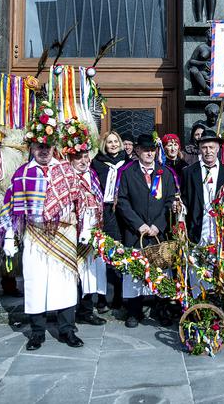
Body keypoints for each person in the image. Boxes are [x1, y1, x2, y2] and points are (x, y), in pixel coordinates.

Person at [0, 102, 92, 350]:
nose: (43, 151)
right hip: (35, 236)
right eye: (39, 146)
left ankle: (67, 330)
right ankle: (37, 332)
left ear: (54, 147)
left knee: (64, 284)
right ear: (31, 147)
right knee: (35, 283)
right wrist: (9, 238)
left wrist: (85, 229)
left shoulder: (65, 170)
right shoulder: (21, 174)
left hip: (63, 233)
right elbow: (10, 208)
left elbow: (82, 201)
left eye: (47, 146)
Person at [116, 134, 177, 328]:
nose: (149, 153)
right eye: (145, 149)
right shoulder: (128, 172)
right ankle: (134, 311)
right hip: (136, 233)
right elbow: (123, 201)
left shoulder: (164, 173)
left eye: (152, 149)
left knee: (160, 271)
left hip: (158, 233)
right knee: (135, 272)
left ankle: (162, 310)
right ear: (137, 151)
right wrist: (138, 224)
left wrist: (158, 225)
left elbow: (169, 201)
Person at [61, 119, 107, 326]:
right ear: (70, 158)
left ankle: (87, 310)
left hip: (92, 231)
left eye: (85, 156)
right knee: (73, 274)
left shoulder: (93, 175)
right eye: (78, 157)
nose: (83, 160)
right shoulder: (65, 176)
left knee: (91, 272)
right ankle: (70, 312)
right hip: (72, 231)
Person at [91, 131, 131, 310]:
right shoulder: (97, 163)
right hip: (105, 211)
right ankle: (101, 295)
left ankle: (119, 294)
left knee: (121, 253)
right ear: (104, 145)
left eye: (116, 141)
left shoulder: (129, 163)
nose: (113, 144)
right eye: (109, 142)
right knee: (104, 252)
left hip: (123, 211)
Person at [181, 130, 224, 246]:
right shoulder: (188, 173)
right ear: (199, 148)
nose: (208, 151)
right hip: (197, 232)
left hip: (223, 233)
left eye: (211, 147)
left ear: (218, 148)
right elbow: (185, 200)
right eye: (204, 148)